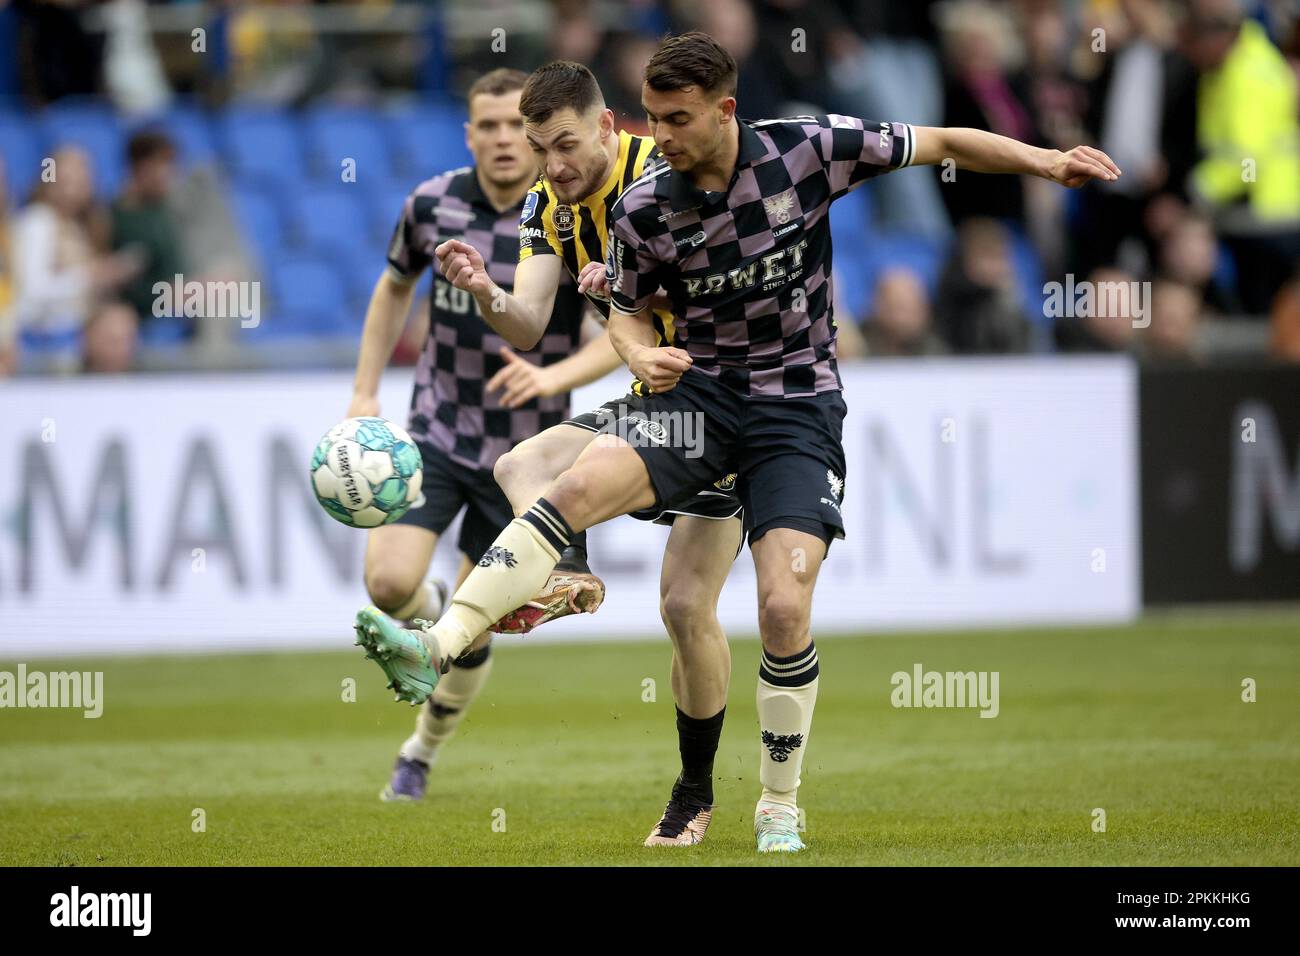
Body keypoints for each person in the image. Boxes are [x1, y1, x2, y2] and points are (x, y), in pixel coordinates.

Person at [360, 31, 1120, 853]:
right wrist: (638, 349)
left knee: (774, 606)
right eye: (653, 119)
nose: (664, 139)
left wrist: (1045, 161)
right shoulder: (647, 205)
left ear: (724, 110)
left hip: (795, 406)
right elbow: (622, 309)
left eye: (675, 121)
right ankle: (440, 644)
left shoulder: (807, 149)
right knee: (565, 489)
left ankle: (776, 801)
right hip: (698, 397)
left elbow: (936, 143)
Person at [362, 61, 744, 848]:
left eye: (548, 140)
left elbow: (700, 284)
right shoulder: (523, 205)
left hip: (727, 407)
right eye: (524, 141)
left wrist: (574, 360)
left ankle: (763, 799)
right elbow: (527, 318)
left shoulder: (662, 173)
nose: (540, 159)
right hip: (548, 420)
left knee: (731, 609)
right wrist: (483, 293)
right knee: (476, 511)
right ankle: (556, 580)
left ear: (606, 127)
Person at [348, 68, 617, 803]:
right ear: (470, 135)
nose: (502, 140)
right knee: (390, 585)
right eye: (488, 127)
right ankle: (439, 615)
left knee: (480, 621)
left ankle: (420, 752)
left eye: (513, 128)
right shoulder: (431, 203)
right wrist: (366, 390)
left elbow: (619, 334)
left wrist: (555, 375)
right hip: (437, 430)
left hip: (524, 457)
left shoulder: (566, 214)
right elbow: (394, 285)